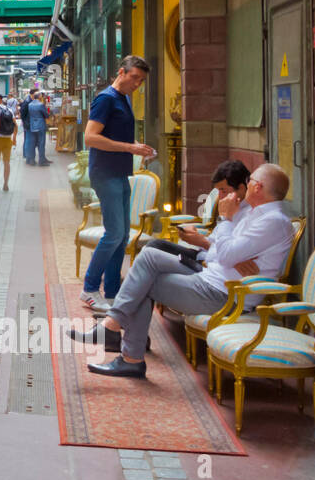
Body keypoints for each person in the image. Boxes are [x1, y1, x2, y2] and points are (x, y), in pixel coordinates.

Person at [71, 163, 297, 377]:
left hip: (225, 294)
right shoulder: (256, 214)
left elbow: (224, 252)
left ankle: (128, 354)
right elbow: (218, 250)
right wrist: (229, 253)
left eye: (252, 180)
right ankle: (115, 331)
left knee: (144, 282)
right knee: (149, 255)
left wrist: (227, 222)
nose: (247, 183)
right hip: (212, 277)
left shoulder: (273, 221)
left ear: (258, 187)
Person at [78, 56, 154, 311]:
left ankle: (112, 291)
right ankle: (89, 289)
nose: (138, 84)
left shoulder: (122, 99)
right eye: (135, 78)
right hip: (105, 172)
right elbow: (90, 137)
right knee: (113, 234)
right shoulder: (106, 98)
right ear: (121, 72)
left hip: (118, 172)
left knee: (120, 237)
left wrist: (136, 151)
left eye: (141, 81)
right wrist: (130, 148)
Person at [0, 92, 17, 190]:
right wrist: (14, 138)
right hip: (8, 139)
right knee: (7, 162)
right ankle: (6, 184)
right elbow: (15, 124)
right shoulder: (9, 110)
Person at [23, 90, 54, 166]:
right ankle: (41, 160)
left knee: (32, 142)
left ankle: (31, 159)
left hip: (32, 125)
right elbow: (46, 115)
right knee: (41, 142)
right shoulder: (41, 105)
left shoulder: (30, 105)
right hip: (40, 125)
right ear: (39, 97)